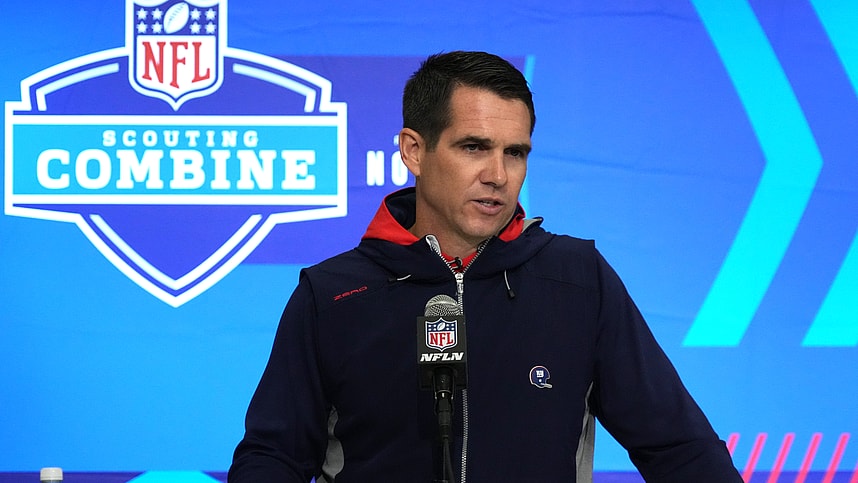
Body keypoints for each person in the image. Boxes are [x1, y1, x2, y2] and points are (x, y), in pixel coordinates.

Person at [228, 51, 742, 482]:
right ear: (414, 150)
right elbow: (274, 458)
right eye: (474, 147)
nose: (497, 174)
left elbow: (679, 447)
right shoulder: (333, 293)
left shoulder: (577, 278)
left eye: (515, 153)